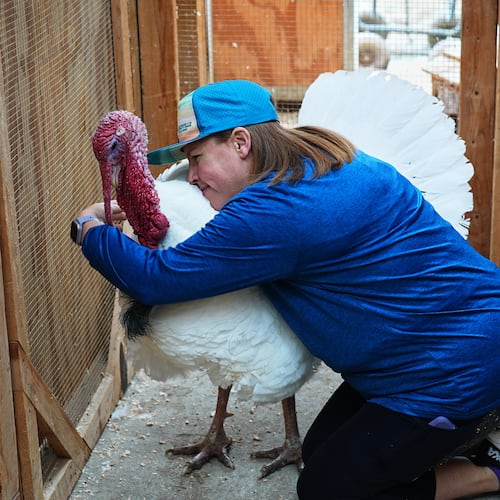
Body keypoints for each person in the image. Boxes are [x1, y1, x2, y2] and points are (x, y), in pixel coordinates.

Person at [72, 79, 500, 499]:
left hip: (454, 368)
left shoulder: (275, 212)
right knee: (318, 454)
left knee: (324, 490)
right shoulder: (329, 159)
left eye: (198, 158)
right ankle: (466, 432)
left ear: (241, 142)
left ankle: (490, 470)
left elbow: (155, 278)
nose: (192, 176)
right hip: (425, 353)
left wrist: (88, 226)